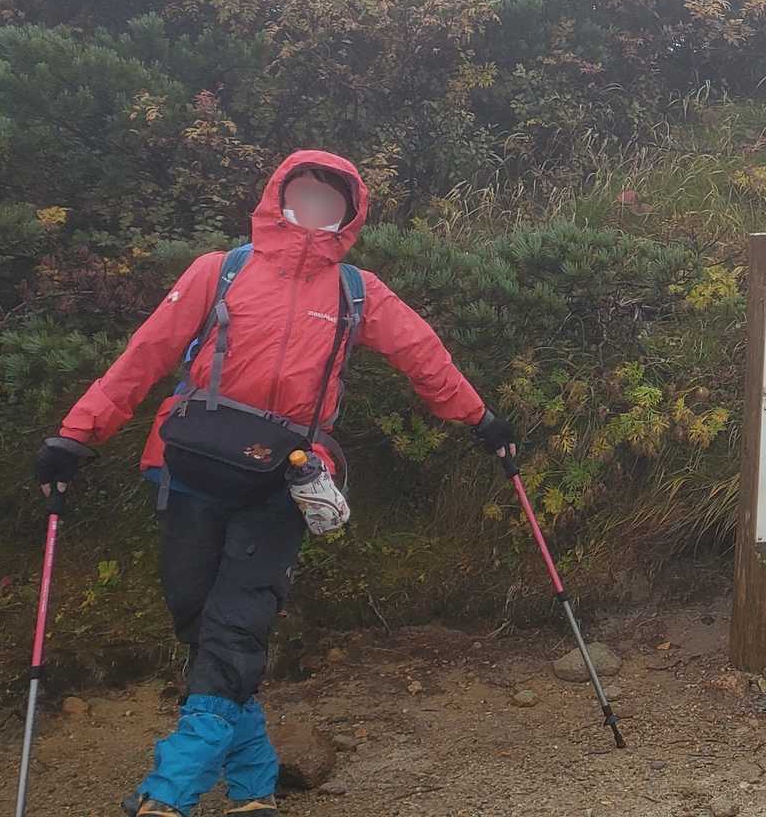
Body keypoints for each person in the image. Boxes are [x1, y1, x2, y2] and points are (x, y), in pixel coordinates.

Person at [32, 151, 517, 817]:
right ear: (280, 196)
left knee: (236, 624)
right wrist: (77, 435)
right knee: (200, 623)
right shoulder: (220, 270)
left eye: (331, 201)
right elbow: (144, 355)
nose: (317, 209)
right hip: (188, 468)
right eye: (307, 194)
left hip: (283, 478)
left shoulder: (356, 291)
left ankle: (170, 790)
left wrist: (480, 419)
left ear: (349, 214)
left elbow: (425, 356)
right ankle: (255, 784)